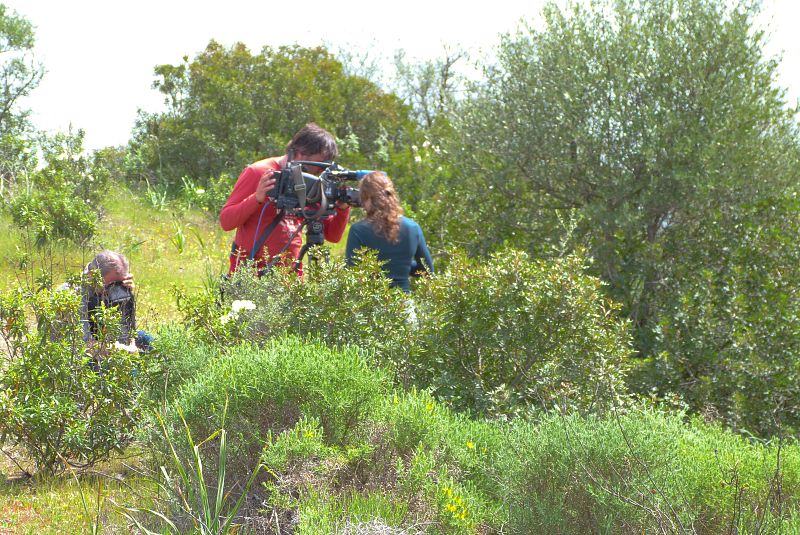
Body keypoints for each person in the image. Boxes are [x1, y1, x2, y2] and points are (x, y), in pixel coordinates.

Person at [219, 123, 351, 275]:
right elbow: (226, 222)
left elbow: (332, 236)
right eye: (318, 167)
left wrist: (342, 209)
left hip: (290, 281)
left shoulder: (313, 184)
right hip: (251, 278)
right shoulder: (259, 172)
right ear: (301, 154)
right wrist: (256, 198)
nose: (319, 173)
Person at [345, 171, 434, 292]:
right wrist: (402, 266)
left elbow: (352, 273)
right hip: (405, 305)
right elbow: (427, 270)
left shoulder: (358, 230)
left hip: (371, 306)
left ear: (366, 198)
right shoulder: (413, 227)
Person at [63, 250, 152, 354]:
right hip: (78, 356)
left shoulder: (105, 286)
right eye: (111, 285)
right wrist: (125, 350)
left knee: (148, 340)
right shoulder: (73, 296)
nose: (114, 289)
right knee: (132, 369)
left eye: (118, 283)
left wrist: (126, 295)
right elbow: (85, 344)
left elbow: (126, 328)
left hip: (106, 339)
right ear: (92, 275)